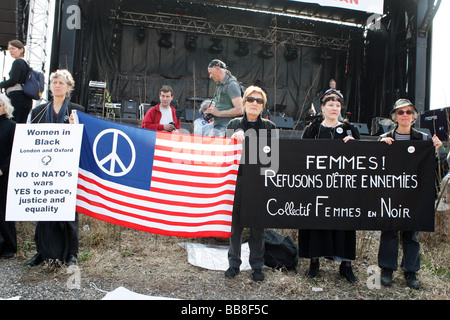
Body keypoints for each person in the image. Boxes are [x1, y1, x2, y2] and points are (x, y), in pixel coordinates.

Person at [378, 98, 442, 289]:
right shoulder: (385, 138)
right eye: (400, 112)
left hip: (414, 195)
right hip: (390, 193)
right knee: (388, 232)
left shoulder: (423, 139)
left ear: (414, 117)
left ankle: (411, 272)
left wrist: (435, 150)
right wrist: (379, 147)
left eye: (408, 112)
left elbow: (432, 168)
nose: (404, 115)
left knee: (411, 234)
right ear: (394, 117)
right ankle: (387, 270)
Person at [299, 91, 360, 283]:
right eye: (330, 105)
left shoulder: (350, 129)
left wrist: (355, 146)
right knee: (316, 223)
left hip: (343, 188)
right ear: (323, 107)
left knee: (345, 224)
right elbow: (300, 156)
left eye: (337, 105)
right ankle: (314, 263)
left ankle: (346, 265)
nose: (334, 108)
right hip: (317, 187)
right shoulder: (312, 130)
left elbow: (362, 159)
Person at [24, 69, 84, 267]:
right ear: (50, 87)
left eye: (61, 82)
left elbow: (85, 139)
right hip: (44, 168)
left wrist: (77, 126)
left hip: (68, 168)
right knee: (43, 208)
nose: (57, 85)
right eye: (54, 82)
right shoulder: (38, 111)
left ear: (69, 87)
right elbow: (29, 140)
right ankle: (41, 252)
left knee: (68, 210)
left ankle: (71, 254)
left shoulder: (76, 110)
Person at [225, 85, 276, 282]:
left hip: (259, 183)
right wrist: (235, 135)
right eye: (251, 100)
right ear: (244, 102)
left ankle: (257, 265)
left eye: (259, 101)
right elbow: (226, 156)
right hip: (236, 181)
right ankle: (233, 264)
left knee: (258, 227)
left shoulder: (270, 127)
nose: (255, 103)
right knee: (235, 226)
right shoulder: (233, 124)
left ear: (263, 106)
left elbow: (273, 161)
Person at [206, 59, 244, 137]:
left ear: (217, 69)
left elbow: (240, 110)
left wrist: (218, 113)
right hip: (218, 126)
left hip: (226, 128)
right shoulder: (220, 84)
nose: (210, 76)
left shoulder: (231, 85)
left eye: (211, 73)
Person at [0, 94, 17, 259]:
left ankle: (9, 246)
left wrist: (3, 169)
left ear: (5, 107)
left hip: (4, 175)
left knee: (4, 211)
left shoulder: (12, 126)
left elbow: (15, 152)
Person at [0, 40, 33, 123]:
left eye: (13, 48)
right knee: (20, 125)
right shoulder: (25, 63)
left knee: (14, 124)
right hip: (26, 99)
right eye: (9, 49)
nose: (10, 51)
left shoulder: (17, 62)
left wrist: (1, 84)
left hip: (17, 98)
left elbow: (13, 80)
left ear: (21, 49)